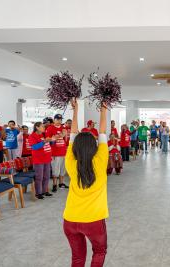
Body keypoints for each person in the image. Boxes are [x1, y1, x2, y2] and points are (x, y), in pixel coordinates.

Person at [63, 98, 109, 266]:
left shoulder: (70, 162)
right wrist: (103, 110)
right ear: (94, 146)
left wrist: (75, 110)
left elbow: (73, 133)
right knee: (99, 251)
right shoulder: (100, 160)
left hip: (70, 220)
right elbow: (102, 132)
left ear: (75, 148)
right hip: (93, 220)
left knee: (77, 257)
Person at [28, 122, 54, 199]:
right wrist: (44, 141)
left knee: (47, 176)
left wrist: (53, 139)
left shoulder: (44, 134)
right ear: (37, 127)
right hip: (38, 159)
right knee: (39, 177)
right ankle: (38, 193)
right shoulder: (32, 136)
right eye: (42, 126)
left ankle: (45, 191)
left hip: (47, 158)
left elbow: (51, 144)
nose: (44, 128)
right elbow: (34, 147)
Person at [46, 114, 68, 192]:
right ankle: (54, 184)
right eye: (57, 119)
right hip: (55, 153)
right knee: (55, 170)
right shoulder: (50, 128)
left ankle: (61, 183)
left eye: (60, 119)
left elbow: (65, 139)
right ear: (54, 120)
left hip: (63, 152)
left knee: (63, 169)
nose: (59, 121)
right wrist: (60, 135)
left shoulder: (63, 128)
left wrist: (64, 135)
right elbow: (48, 139)